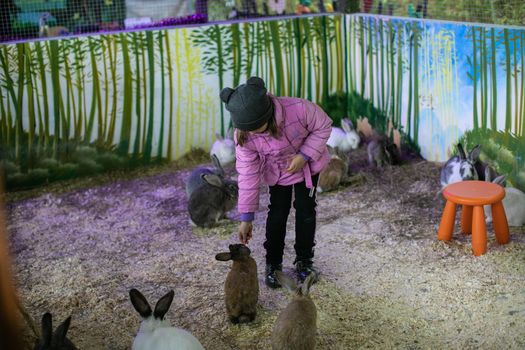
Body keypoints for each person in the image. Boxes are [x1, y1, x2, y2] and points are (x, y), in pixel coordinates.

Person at [219, 76, 332, 288]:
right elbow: (248, 175)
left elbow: (324, 125)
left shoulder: (299, 108)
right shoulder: (244, 136)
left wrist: (304, 155)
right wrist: (246, 217)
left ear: (268, 113)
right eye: (248, 129)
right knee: (277, 213)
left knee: (306, 210)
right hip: (278, 172)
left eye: (258, 127)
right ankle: (273, 265)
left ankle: (304, 262)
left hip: (306, 166)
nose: (253, 133)